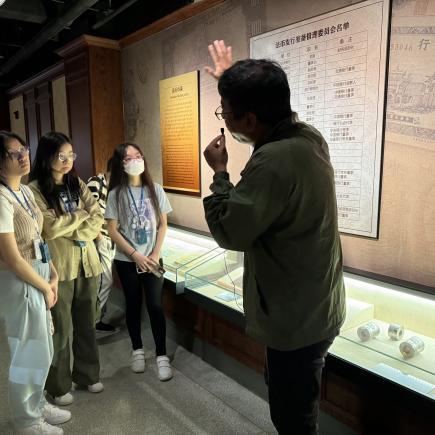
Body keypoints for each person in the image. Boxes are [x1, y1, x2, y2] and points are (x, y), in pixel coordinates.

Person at [203, 40, 346, 435]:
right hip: (314, 307)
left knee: (292, 417)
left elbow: (229, 229)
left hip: (294, 320)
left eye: (227, 113)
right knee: (298, 402)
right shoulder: (307, 139)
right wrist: (233, 82)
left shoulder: (275, 160)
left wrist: (219, 173)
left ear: (250, 120)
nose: (225, 121)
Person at [0, 131, 71, 435]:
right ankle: (26, 421)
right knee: (27, 352)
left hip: (40, 275)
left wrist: (52, 274)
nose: (23, 156)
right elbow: (12, 257)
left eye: (24, 149)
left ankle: (37, 403)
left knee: (42, 348)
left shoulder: (25, 192)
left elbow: (38, 238)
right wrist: (44, 286)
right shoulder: (1, 198)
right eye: (14, 153)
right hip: (20, 281)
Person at [28, 132, 105, 406]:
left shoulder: (77, 183)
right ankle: (58, 386)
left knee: (87, 323)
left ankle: (87, 374)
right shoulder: (35, 189)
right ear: (47, 157)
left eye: (71, 155)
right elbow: (48, 228)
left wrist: (72, 222)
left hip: (88, 264)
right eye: (61, 156)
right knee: (60, 329)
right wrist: (81, 217)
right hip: (59, 267)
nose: (67, 161)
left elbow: (97, 218)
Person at [105, 143, 173, 381]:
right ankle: (137, 350)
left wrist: (154, 254)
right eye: (128, 157)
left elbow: (163, 224)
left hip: (153, 259)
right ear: (120, 164)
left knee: (155, 306)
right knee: (132, 304)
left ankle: (162, 355)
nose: (135, 160)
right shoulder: (115, 194)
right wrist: (134, 254)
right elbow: (112, 230)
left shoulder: (155, 189)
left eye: (138, 155)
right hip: (127, 259)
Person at [87, 158, 118, 335]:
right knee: (104, 280)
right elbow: (89, 213)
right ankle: (93, 320)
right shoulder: (96, 182)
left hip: (111, 238)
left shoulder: (115, 187)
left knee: (104, 280)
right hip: (100, 239)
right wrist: (99, 238)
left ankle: (98, 318)